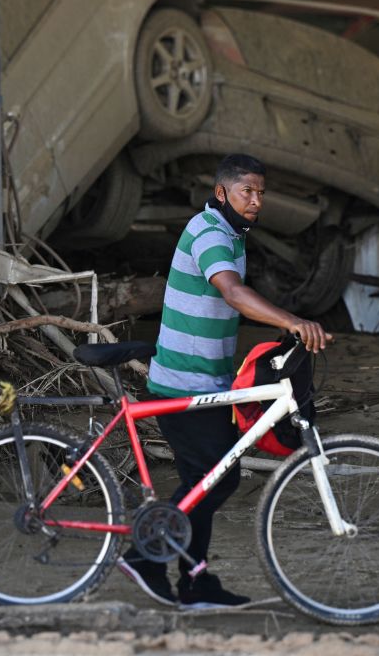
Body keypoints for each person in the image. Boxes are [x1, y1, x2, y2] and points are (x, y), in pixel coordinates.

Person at [118, 153, 332, 609]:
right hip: (183, 382)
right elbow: (232, 292)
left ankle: (195, 579)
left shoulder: (232, 232)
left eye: (260, 192)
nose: (256, 201)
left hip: (207, 381)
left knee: (214, 478)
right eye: (246, 192)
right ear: (222, 193)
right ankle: (145, 557)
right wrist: (293, 321)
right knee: (213, 478)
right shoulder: (210, 231)